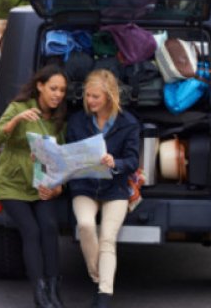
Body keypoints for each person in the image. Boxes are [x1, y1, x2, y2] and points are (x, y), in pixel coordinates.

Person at [0, 65, 69, 308]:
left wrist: (57, 188)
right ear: (40, 86)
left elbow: (60, 158)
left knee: (49, 227)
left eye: (62, 90)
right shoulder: (19, 108)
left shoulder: (58, 118)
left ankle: (54, 289)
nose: (58, 95)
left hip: (40, 184)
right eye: (53, 88)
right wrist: (15, 121)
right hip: (13, 183)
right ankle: (39, 292)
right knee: (31, 231)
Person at [65, 69, 140, 308]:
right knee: (86, 225)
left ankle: (104, 294)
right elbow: (69, 153)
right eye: (87, 96)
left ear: (109, 96)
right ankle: (98, 275)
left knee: (108, 237)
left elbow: (132, 161)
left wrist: (114, 162)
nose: (89, 101)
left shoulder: (128, 123)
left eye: (95, 96)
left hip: (114, 187)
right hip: (84, 185)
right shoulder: (78, 120)